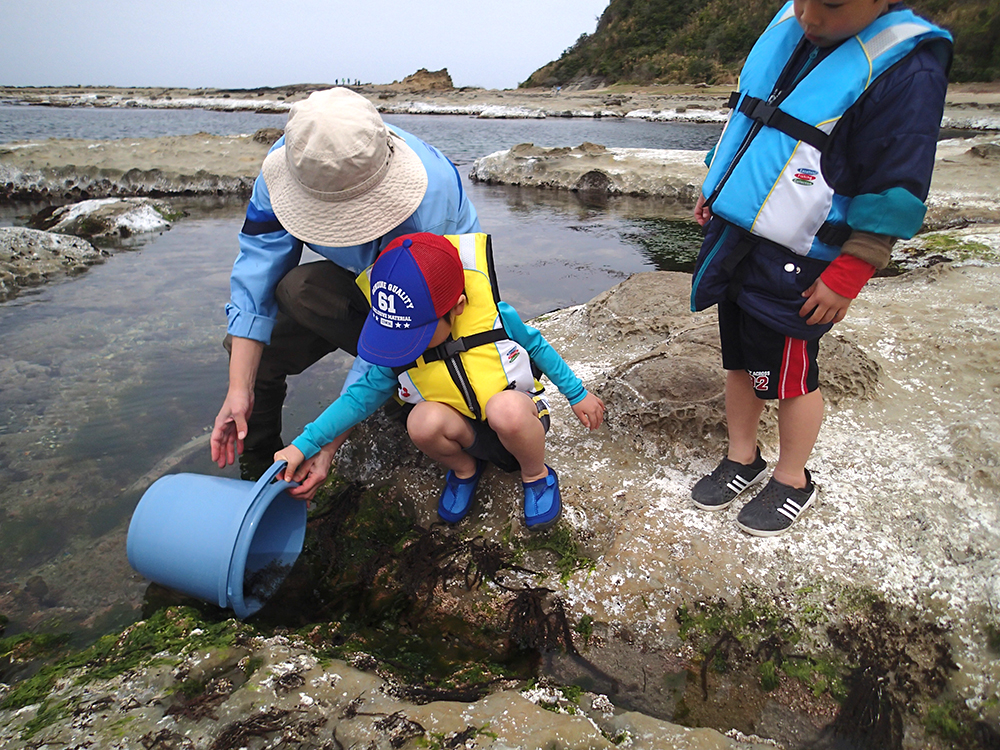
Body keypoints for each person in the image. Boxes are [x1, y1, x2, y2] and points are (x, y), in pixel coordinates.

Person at [688, 0, 952, 536]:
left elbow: (895, 184)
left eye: (829, 4)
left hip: (801, 260)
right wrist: (715, 190)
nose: (808, 15)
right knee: (737, 359)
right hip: (740, 240)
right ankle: (743, 457)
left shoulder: (909, 68)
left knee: (792, 376)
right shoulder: (801, 30)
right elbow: (753, 124)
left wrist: (849, 273)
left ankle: (793, 477)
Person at [210, 87, 480, 477]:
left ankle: (401, 393)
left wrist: (327, 440)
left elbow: (398, 318)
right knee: (275, 313)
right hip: (364, 281)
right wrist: (239, 389)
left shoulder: (428, 205)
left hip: (434, 306)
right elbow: (256, 276)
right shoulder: (298, 161)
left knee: (398, 380)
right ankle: (258, 471)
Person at [273, 232, 606, 529]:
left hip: (517, 417)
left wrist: (577, 394)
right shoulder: (401, 346)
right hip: (463, 432)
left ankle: (536, 475)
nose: (403, 342)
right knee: (421, 421)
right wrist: (302, 445)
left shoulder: (496, 318)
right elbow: (357, 399)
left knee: (507, 411)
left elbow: (537, 346)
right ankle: (464, 470)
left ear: (458, 307)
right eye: (394, 331)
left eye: (416, 332)